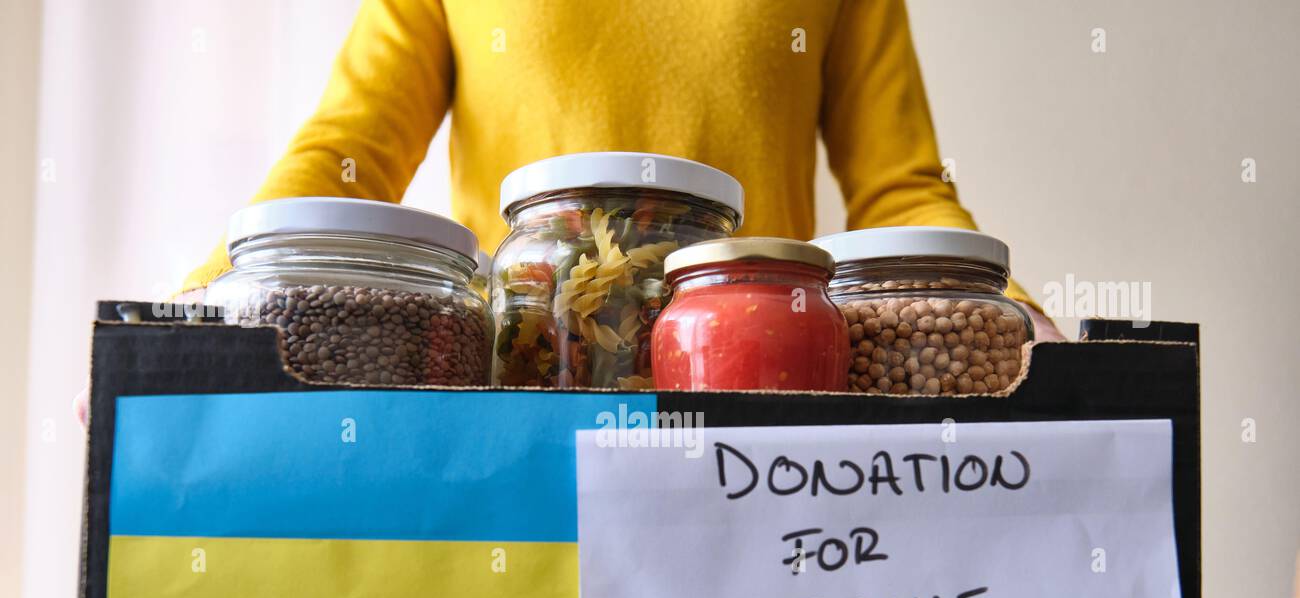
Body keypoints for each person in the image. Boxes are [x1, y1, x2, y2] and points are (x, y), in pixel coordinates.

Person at [76, 0, 1059, 424]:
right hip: (516, 393)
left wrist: (1018, 320)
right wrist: (192, 311)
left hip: (748, 398)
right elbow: (348, 152)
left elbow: (900, 191)